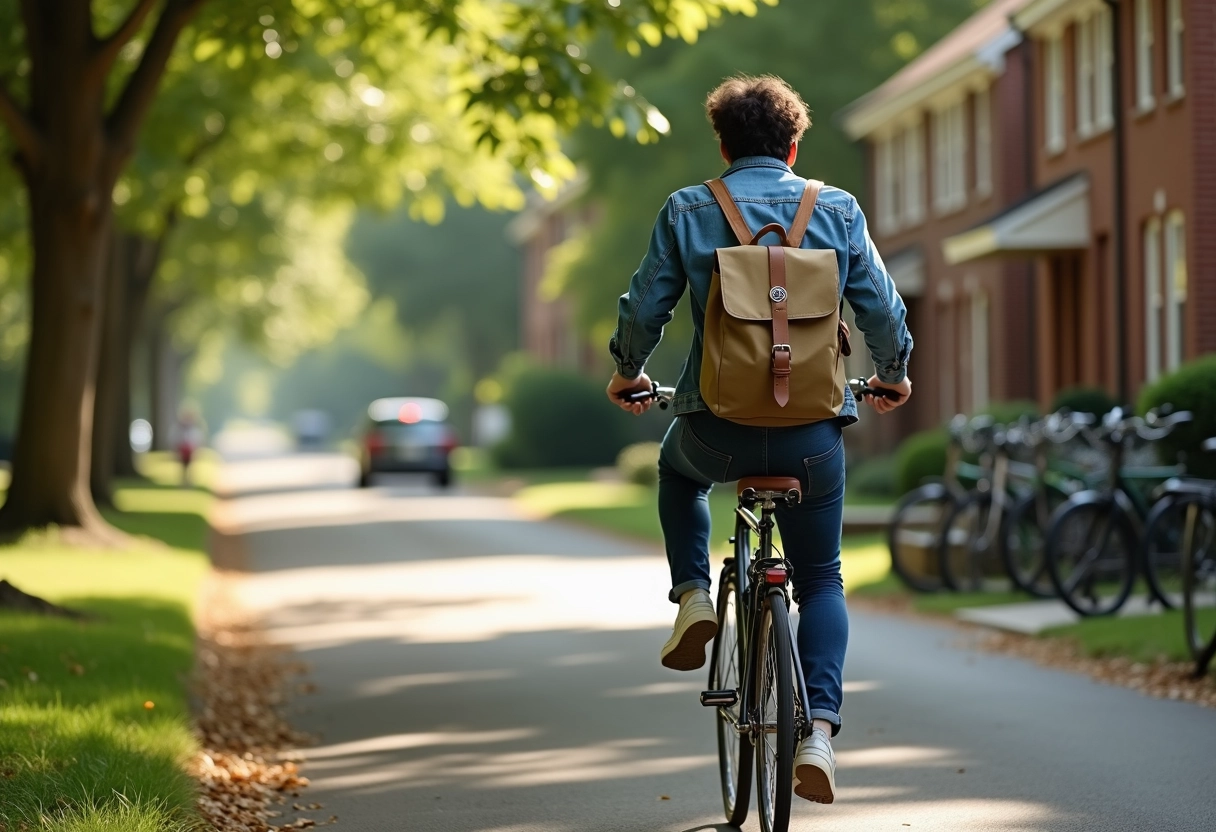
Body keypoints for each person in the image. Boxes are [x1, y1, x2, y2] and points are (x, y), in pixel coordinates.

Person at [605, 75, 913, 805]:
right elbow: (882, 308)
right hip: (812, 439)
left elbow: (645, 305)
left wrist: (628, 372)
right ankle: (820, 732)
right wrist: (893, 373)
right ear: (794, 144)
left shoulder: (688, 208)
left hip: (715, 430)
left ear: (723, 143)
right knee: (821, 579)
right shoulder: (835, 208)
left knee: (676, 474)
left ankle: (692, 597)